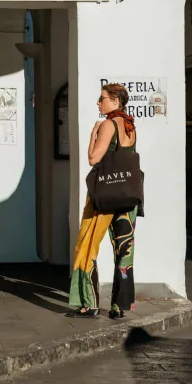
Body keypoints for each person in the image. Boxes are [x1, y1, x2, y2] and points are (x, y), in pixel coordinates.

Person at [66, 83, 139, 320]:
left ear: (115, 101)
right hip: (127, 196)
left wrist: (93, 135)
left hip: (105, 196)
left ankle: (89, 303)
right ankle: (119, 306)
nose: (98, 102)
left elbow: (92, 158)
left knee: (87, 246)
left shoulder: (108, 124)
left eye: (102, 98)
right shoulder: (130, 126)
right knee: (124, 251)